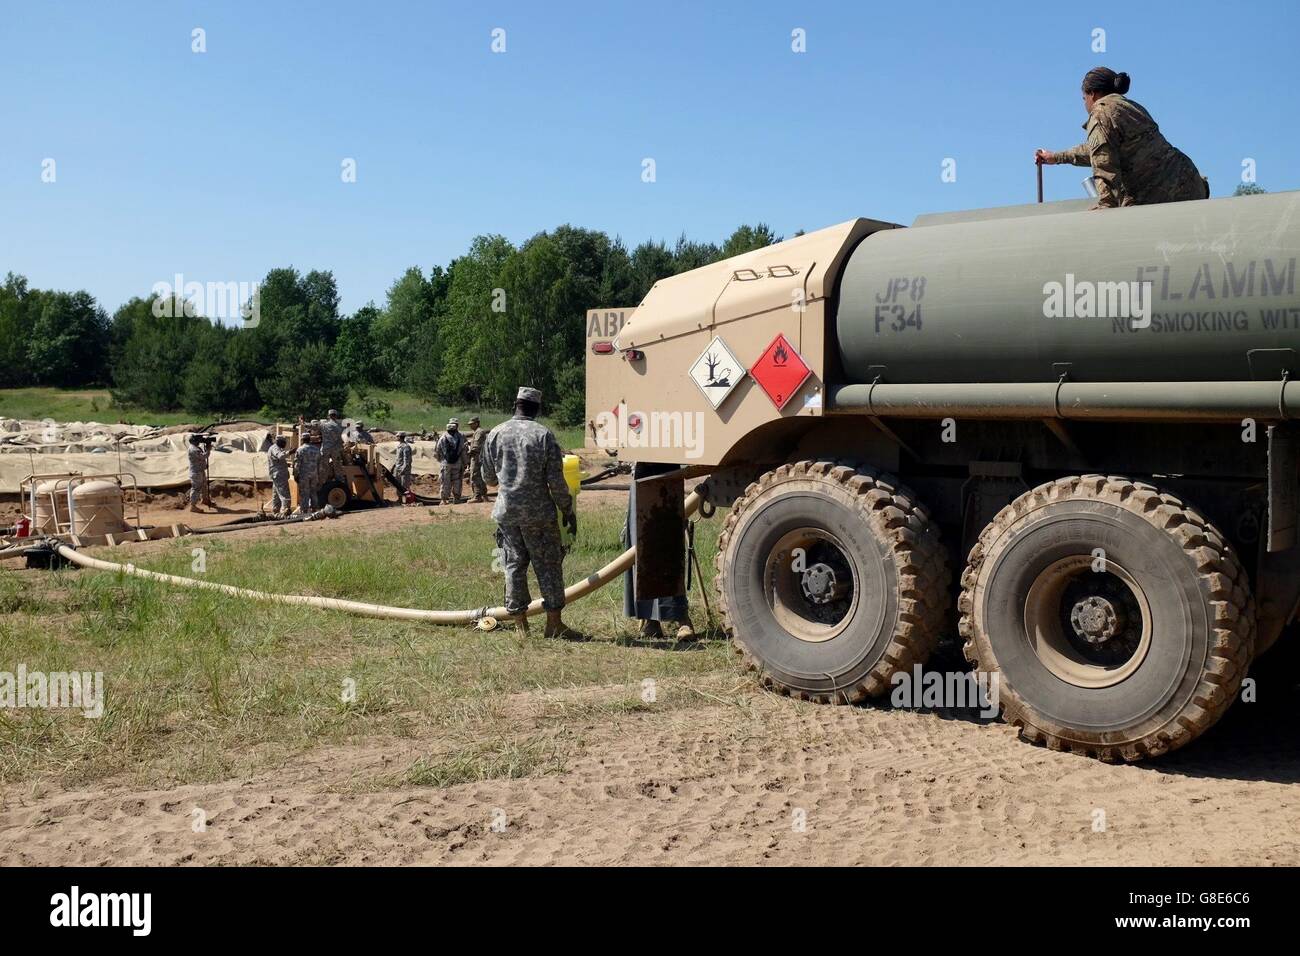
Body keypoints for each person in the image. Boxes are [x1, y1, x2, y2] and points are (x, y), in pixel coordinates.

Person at [481, 387, 578, 639]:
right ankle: (554, 624)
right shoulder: (543, 435)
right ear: (537, 408)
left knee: (513, 566)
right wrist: (567, 509)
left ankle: (520, 627)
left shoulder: (495, 433)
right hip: (539, 515)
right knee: (548, 566)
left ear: (516, 404)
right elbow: (556, 481)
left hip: (507, 513)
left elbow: (489, 480)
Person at [1035, 67, 1205, 209]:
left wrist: (1106, 204)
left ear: (1092, 94)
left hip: (1156, 195)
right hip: (1190, 183)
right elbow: (1100, 149)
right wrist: (1055, 157)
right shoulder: (1130, 106)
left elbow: (1103, 161)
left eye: (1083, 98)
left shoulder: (1100, 112)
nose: (1084, 104)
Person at [623, 461, 696, 641]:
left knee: (669, 543)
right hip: (642, 471)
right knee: (643, 545)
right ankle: (651, 621)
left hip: (668, 467)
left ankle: (681, 619)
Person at [435, 418, 465, 504]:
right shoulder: (460, 437)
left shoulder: (443, 437)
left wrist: (440, 460)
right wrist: (465, 462)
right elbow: (463, 450)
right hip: (457, 463)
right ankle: (457, 498)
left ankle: (444, 500)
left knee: (445, 481)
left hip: (445, 463)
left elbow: (437, 450)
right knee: (457, 480)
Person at [294, 434, 322, 514]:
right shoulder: (316, 449)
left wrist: (296, 475)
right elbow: (319, 463)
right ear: (309, 440)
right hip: (314, 474)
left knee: (304, 492)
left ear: (302, 440)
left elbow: (297, 465)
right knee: (313, 492)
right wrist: (319, 475)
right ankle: (315, 509)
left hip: (304, 475)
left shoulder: (300, 450)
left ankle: (304, 511)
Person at [267, 435, 292, 518]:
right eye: (284, 443)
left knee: (276, 495)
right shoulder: (275, 448)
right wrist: (290, 452)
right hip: (279, 475)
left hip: (278, 475)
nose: (285, 444)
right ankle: (286, 512)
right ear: (279, 442)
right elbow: (280, 456)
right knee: (285, 494)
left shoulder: (277, 448)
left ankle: (275, 512)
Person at [187, 434, 213, 513]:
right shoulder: (193, 449)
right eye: (198, 440)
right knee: (196, 488)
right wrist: (208, 450)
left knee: (204, 485)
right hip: (196, 472)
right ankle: (193, 506)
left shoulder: (195, 447)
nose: (200, 441)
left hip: (200, 470)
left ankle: (204, 499)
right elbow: (203, 456)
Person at [465, 415, 488, 502]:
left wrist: (468, 453)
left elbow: (476, 446)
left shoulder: (479, 432)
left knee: (474, 475)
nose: (470, 426)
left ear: (477, 423)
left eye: (472, 424)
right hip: (479, 456)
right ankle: (483, 495)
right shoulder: (478, 432)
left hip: (476, 457)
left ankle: (477, 496)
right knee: (480, 476)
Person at [319, 409, 345, 484]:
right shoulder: (339, 425)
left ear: (328, 416)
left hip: (325, 449)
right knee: (337, 466)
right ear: (336, 416)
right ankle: (340, 481)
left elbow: (313, 427)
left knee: (324, 466)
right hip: (336, 449)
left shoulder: (323, 424)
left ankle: (323, 481)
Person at [393, 431, 413, 501]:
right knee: (398, 484)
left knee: (405, 485)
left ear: (400, 437)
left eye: (397, 436)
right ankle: (400, 499)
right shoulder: (399, 446)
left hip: (404, 469)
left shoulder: (406, 447)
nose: (396, 437)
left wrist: (403, 469)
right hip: (398, 468)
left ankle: (407, 499)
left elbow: (406, 460)